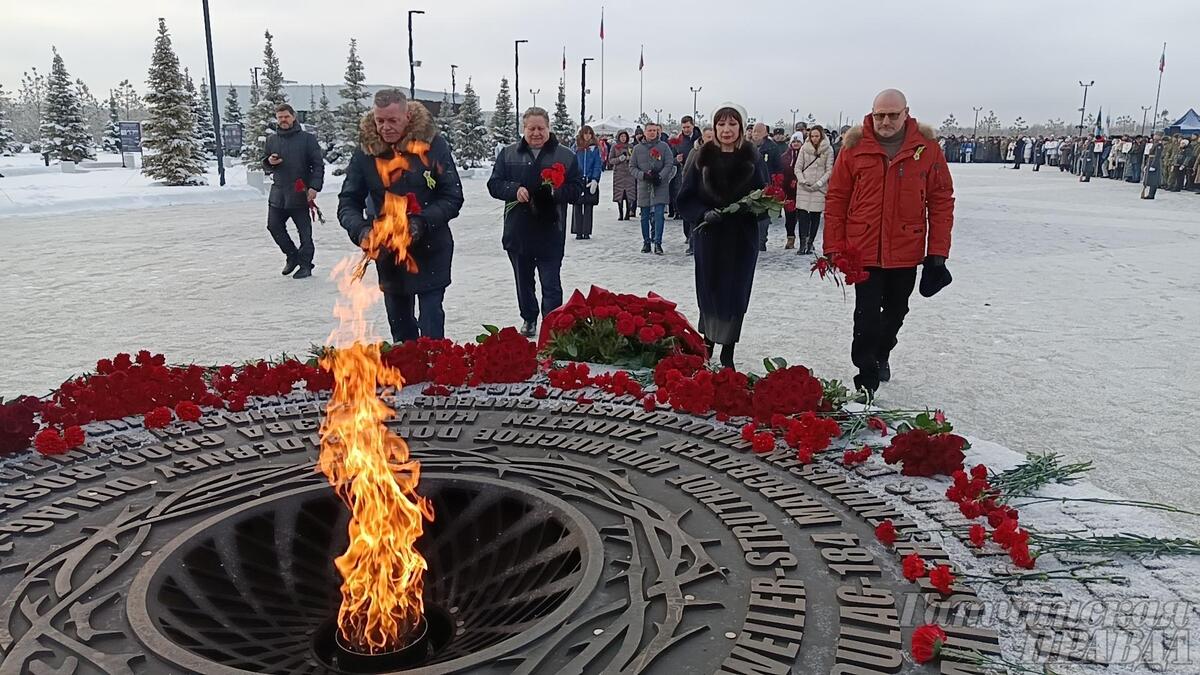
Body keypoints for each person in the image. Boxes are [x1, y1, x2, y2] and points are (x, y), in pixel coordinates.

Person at [824, 89, 955, 394]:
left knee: (897, 311)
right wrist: (833, 246)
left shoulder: (927, 148)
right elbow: (837, 197)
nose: (885, 121)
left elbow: (941, 199)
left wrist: (937, 253)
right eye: (879, 115)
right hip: (863, 247)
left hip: (906, 248)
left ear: (906, 113)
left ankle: (882, 351)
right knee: (866, 315)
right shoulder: (854, 147)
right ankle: (866, 374)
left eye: (892, 115)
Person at [337, 89, 463, 342]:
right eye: (380, 120)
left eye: (392, 120)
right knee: (401, 327)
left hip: (431, 247)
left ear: (408, 116)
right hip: (388, 252)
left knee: (431, 323)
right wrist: (362, 231)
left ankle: (433, 362)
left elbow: (452, 196)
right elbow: (348, 202)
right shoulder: (366, 152)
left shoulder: (432, 146)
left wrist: (420, 222)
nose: (385, 127)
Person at [677, 102, 768, 369]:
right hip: (710, 238)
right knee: (710, 291)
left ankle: (728, 352)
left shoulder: (752, 158)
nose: (726, 129)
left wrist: (751, 209)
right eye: (721, 124)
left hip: (741, 240)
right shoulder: (701, 157)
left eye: (732, 124)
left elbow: (764, 198)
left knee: (735, 294)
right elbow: (685, 198)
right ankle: (706, 346)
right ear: (714, 127)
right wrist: (702, 214)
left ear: (741, 127)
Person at [487, 107, 584, 337]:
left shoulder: (565, 156)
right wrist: (514, 189)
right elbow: (494, 184)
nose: (536, 133)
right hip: (518, 231)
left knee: (551, 283)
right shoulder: (509, 154)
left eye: (541, 128)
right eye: (531, 128)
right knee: (524, 282)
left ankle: (552, 325)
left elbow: (577, 188)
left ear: (549, 128)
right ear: (524, 129)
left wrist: (555, 192)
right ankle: (529, 318)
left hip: (551, 230)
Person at [262, 103, 324, 279]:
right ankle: (292, 256)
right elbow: (265, 163)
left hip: (300, 192)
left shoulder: (307, 139)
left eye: (286, 117)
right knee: (273, 226)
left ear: (293, 117)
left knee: (304, 233)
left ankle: (306, 265)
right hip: (278, 193)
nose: (283, 120)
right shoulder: (272, 140)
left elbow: (317, 165)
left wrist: (314, 187)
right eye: (280, 117)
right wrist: (269, 162)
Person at [629, 122, 676, 255]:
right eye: (649, 130)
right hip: (644, 186)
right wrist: (642, 175)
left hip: (659, 185)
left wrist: (660, 176)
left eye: (654, 130)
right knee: (644, 216)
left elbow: (669, 163)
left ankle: (658, 242)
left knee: (659, 215)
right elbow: (632, 167)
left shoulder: (664, 146)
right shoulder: (637, 149)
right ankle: (646, 242)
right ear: (645, 132)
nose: (652, 133)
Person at [793, 125, 833, 256]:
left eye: (817, 136)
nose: (814, 138)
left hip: (819, 188)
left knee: (815, 217)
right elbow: (798, 167)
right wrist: (802, 180)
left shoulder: (828, 150)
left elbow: (829, 170)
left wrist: (820, 183)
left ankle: (810, 243)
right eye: (812, 136)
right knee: (802, 216)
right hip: (804, 186)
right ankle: (802, 244)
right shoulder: (804, 148)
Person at [571, 125, 603, 240]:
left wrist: (595, 179)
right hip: (578, 180)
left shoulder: (594, 149)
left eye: (589, 133)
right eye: (585, 133)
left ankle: (586, 231)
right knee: (577, 205)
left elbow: (597, 164)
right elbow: (572, 163)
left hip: (590, 180)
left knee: (588, 206)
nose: (587, 136)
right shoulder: (575, 147)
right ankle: (578, 231)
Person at [779, 132, 804, 249]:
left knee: (803, 216)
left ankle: (805, 239)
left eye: (798, 141)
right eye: (794, 141)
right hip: (788, 191)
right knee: (789, 216)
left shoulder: (806, 156)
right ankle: (790, 237)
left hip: (803, 190)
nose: (796, 144)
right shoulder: (785, 157)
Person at [607, 130, 637, 220]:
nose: (623, 138)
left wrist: (629, 158)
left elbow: (635, 158)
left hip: (629, 173)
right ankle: (620, 213)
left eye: (625, 136)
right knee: (619, 194)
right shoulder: (615, 147)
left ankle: (628, 212)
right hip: (619, 174)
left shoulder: (630, 147)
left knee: (629, 194)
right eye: (621, 136)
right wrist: (619, 159)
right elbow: (610, 160)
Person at [1142, 131, 1165, 199]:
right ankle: (1150, 194)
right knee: (1151, 179)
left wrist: (1153, 165)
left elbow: (1157, 156)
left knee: (1154, 180)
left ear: (1159, 136)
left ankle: (1151, 195)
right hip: (1151, 161)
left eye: (1156, 135)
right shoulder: (1155, 143)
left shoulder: (1159, 145)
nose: (1154, 136)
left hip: (1155, 163)